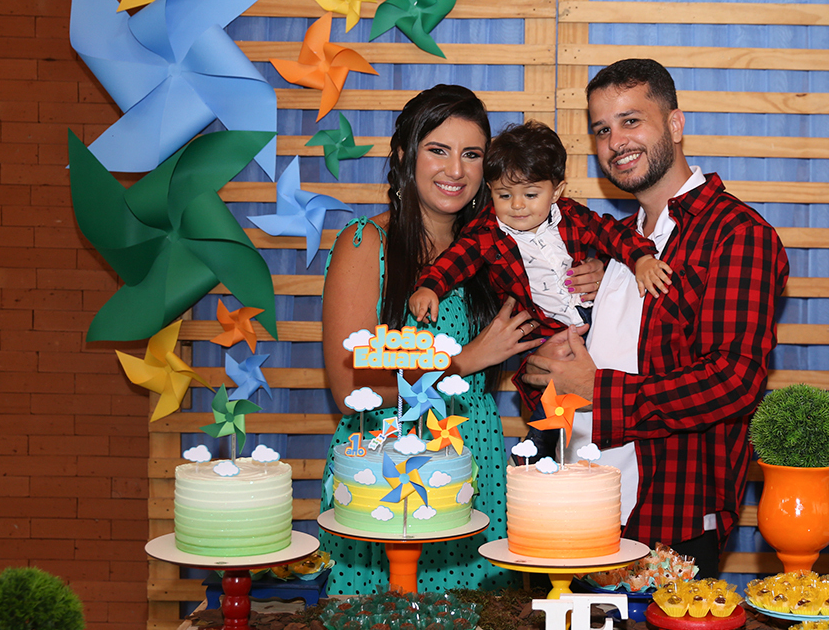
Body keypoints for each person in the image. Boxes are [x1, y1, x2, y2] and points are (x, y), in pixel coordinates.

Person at [318, 85, 603, 594]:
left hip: (478, 465)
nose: (455, 170)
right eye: (438, 150)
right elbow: (348, 387)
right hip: (387, 473)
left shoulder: (496, 249)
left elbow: (540, 336)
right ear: (405, 156)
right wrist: (464, 361)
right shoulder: (366, 243)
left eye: (471, 154)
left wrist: (594, 278)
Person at [523, 59, 789, 578]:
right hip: (580, 507)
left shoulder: (736, 234)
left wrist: (597, 391)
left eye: (631, 120)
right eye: (602, 129)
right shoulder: (615, 247)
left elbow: (734, 380)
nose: (615, 140)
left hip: (672, 516)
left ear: (674, 124)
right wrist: (544, 369)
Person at [408, 120, 672, 420]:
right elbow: (454, 261)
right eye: (504, 195)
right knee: (548, 405)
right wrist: (430, 286)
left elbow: (611, 233)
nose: (517, 205)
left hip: (593, 320)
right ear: (490, 190)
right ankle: (537, 455)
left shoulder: (572, 216)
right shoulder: (486, 234)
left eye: (530, 195)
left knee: (606, 399)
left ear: (556, 191)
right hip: (543, 332)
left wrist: (641, 258)